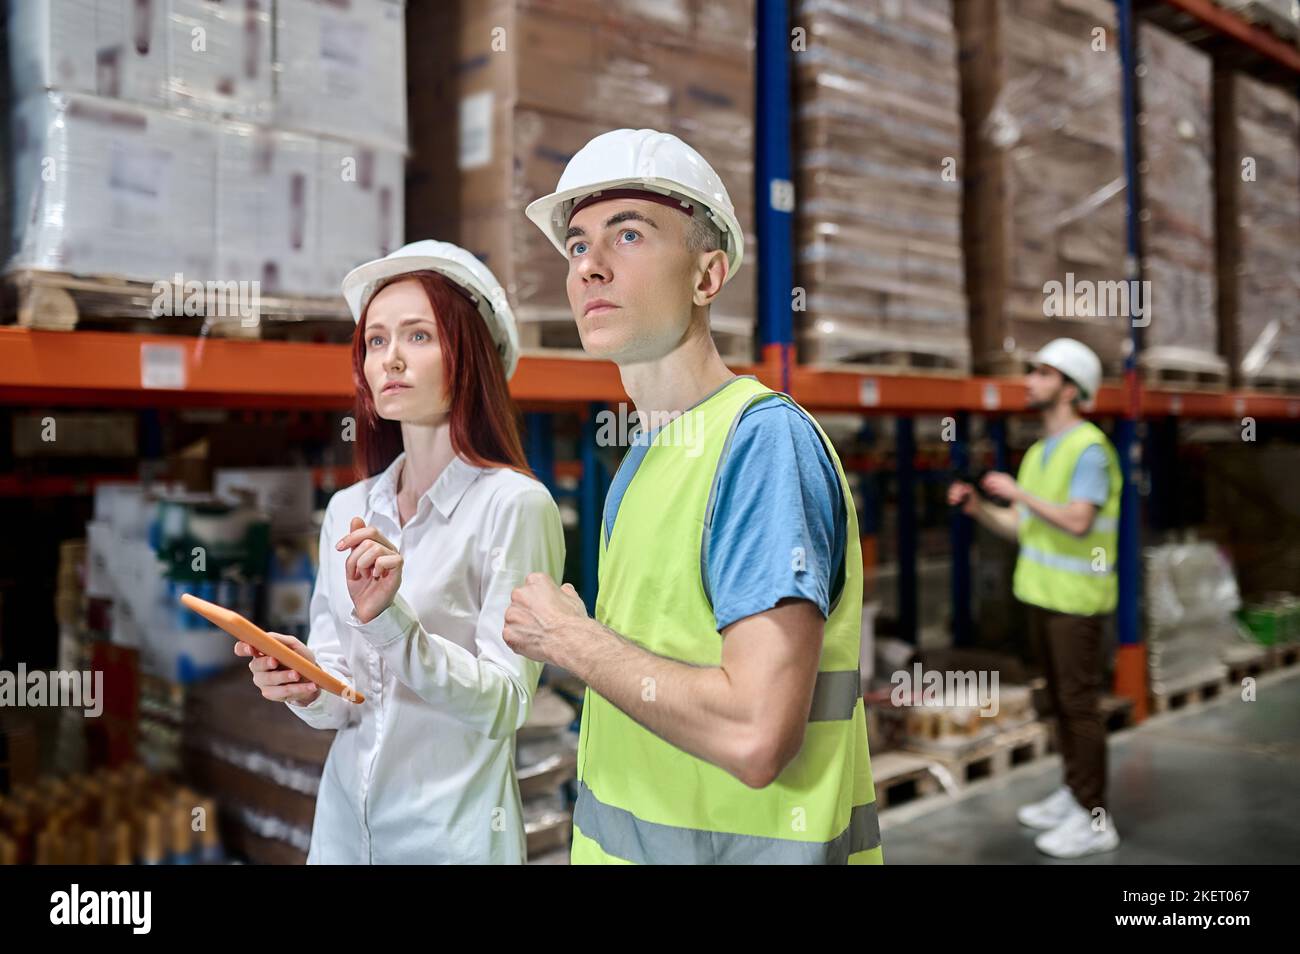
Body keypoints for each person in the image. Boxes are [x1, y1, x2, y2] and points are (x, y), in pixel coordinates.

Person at [502, 128, 882, 864]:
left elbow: (754, 733)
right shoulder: (641, 467)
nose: (590, 268)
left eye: (630, 235)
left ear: (708, 278)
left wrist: (571, 640)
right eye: (577, 246)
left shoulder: (760, 444)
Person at [235, 240, 565, 863]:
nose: (390, 359)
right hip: (342, 836)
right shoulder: (348, 508)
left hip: (452, 840)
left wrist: (393, 624)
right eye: (377, 341)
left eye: (417, 336)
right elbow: (344, 700)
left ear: (469, 357)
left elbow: (507, 704)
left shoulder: (514, 506)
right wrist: (306, 685)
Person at [947, 338, 1121, 859]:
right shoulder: (1042, 452)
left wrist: (1020, 494)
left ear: (1070, 389)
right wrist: (980, 507)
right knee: (1058, 704)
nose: (1031, 381)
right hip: (1043, 599)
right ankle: (1074, 793)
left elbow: (1076, 520)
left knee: (1079, 706)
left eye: (1043, 374)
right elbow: (1027, 531)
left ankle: (1095, 818)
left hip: (1077, 601)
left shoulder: (1088, 448)